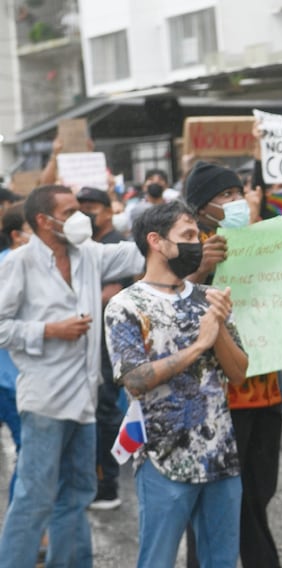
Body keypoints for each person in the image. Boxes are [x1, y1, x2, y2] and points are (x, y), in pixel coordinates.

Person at [0, 185, 144, 567]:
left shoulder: (89, 255)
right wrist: (50, 330)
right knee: (34, 497)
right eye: (70, 211)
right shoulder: (19, 263)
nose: (82, 217)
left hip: (84, 400)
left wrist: (190, 228)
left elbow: (136, 253)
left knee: (77, 495)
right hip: (44, 402)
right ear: (44, 222)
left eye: (81, 209)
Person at [105, 200, 247, 567]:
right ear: (156, 241)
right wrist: (199, 344)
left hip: (220, 454)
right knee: (158, 560)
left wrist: (217, 330)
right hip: (162, 459)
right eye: (186, 235)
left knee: (223, 560)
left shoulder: (208, 298)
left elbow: (239, 372)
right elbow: (135, 379)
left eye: (197, 236)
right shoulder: (126, 305)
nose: (196, 244)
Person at [183, 161, 282, 567]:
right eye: (225, 196)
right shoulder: (189, 245)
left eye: (238, 192)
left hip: (265, 388)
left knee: (258, 493)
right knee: (219, 499)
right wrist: (198, 267)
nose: (237, 201)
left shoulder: (253, 237)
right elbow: (165, 303)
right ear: (202, 206)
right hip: (220, 398)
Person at [76, 186, 134, 510]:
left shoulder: (114, 248)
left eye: (91, 207)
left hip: (110, 344)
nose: (84, 212)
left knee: (106, 410)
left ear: (108, 211)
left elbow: (114, 293)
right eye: (80, 206)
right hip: (91, 342)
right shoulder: (88, 247)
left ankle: (107, 483)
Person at [0, 203, 30, 504]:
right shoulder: (16, 265)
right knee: (29, 454)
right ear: (17, 235)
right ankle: (26, 534)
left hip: (12, 377)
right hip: (12, 379)